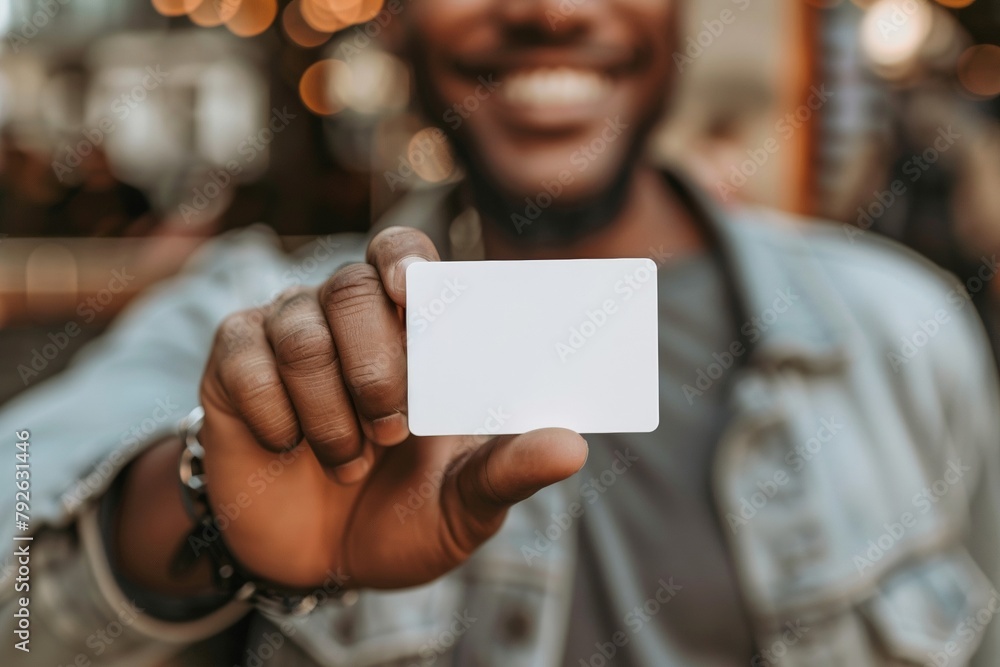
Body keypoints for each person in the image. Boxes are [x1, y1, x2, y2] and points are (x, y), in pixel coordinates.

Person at [3, 1, 1000, 665]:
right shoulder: (251, 323)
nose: (545, 8)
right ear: (392, 21)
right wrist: (199, 513)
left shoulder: (901, 329)